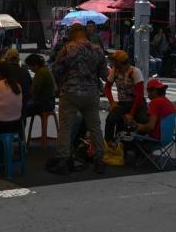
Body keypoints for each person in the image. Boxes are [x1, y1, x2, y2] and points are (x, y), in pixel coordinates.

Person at [48, 24, 107, 176]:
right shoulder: (97, 49)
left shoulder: (67, 49)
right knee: (95, 127)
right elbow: (104, 73)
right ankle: (100, 160)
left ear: (72, 34)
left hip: (70, 92)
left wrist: (63, 84)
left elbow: (57, 70)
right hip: (92, 92)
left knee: (66, 128)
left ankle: (63, 160)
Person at [124, 78, 176, 158]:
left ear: (154, 91)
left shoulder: (155, 103)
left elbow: (150, 126)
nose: (148, 95)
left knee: (127, 136)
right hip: (168, 139)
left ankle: (139, 155)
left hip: (156, 139)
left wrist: (137, 127)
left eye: (148, 92)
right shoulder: (169, 103)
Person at [103, 50, 146, 142]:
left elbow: (139, 95)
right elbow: (107, 87)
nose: (112, 63)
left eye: (114, 61)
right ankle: (109, 144)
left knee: (141, 120)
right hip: (123, 103)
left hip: (136, 103)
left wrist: (131, 114)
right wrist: (112, 102)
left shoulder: (135, 72)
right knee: (110, 120)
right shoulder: (114, 71)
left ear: (119, 62)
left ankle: (140, 146)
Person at [22, 54, 55, 118]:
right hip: (50, 102)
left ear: (36, 65)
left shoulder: (40, 73)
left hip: (45, 104)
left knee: (22, 109)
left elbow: (33, 91)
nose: (29, 69)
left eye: (29, 66)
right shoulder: (46, 70)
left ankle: (20, 127)